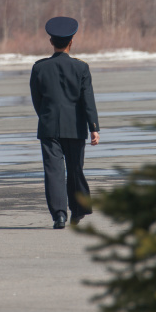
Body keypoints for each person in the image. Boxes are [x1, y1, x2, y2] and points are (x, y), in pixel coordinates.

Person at [30, 16, 100, 229]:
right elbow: (88, 100)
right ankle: (77, 211)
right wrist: (94, 128)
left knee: (53, 172)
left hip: (49, 126)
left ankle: (59, 215)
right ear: (72, 42)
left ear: (51, 42)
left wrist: (45, 116)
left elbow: (37, 100)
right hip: (75, 127)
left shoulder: (39, 68)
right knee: (75, 169)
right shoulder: (81, 68)